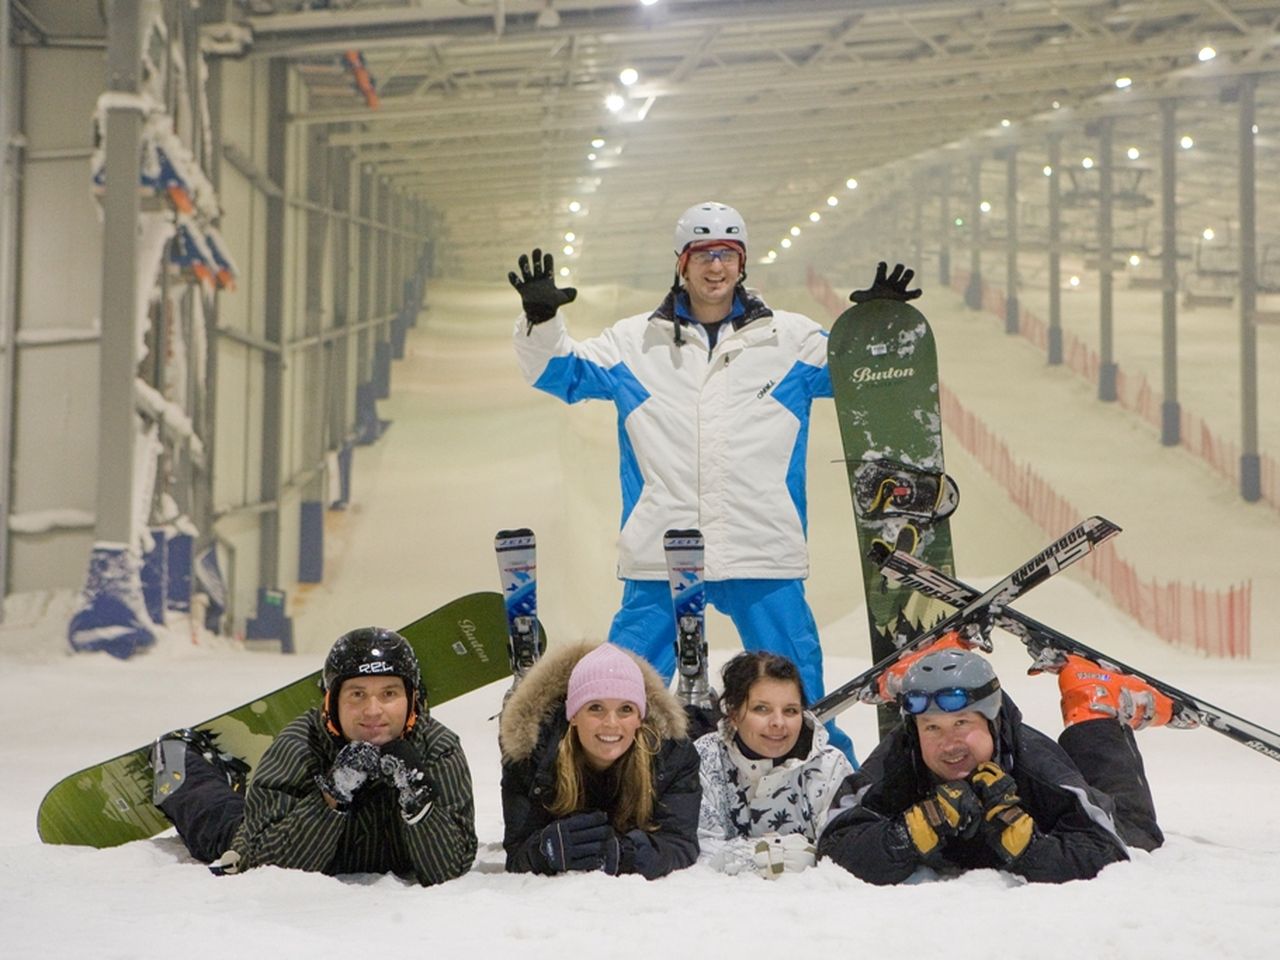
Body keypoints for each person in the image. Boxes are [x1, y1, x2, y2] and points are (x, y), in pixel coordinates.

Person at [508, 201, 917, 763]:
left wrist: (877, 328)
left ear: (742, 262)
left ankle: (827, 785)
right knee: (618, 687)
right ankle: (598, 783)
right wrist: (541, 320)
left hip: (762, 549)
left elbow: (864, 379)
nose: (716, 267)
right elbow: (561, 373)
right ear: (682, 262)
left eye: (727, 253)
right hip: (662, 553)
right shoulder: (636, 343)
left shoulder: (789, 339)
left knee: (800, 693)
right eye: (703, 254)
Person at [818, 636, 1171, 885]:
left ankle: (1093, 703)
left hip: (1069, 778)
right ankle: (943, 661)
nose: (948, 744)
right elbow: (834, 844)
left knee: (1137, 833)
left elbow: (1110, 850)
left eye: (962, 723)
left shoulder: (1034, 762)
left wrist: (1031, 847)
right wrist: (913, 830)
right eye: (932, 728)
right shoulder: (902, 757)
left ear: (991, 722)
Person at [151, 627, 477, 886]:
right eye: (357, 694)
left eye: (389, 694)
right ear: (331, 702)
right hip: (297, 836)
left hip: (385, 847)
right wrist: (332, 797)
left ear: (412, 699)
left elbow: (451, 867)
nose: (373, 710)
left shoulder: (437, 747)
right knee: (219, 823)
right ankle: (181, 760)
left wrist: (419, 801)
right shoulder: (300, 743)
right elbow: (259, 861)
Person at [498, 641, 700, 879]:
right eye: (595, 708)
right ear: (573, 715)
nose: (611, 723)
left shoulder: (672, 756)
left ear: (640, 718)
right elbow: (516, 854)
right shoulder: (531, 757)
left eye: (625, 709)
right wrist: (544, 850)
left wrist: (627, 854)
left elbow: (680, 844)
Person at [695, 651, 853, 878]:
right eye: (762, 709)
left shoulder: (830, 767)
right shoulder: (705, 759)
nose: (778, 723)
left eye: (790, 711)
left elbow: (842, 854)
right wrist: (773, 858)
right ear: (733, 713)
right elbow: (700, 853)